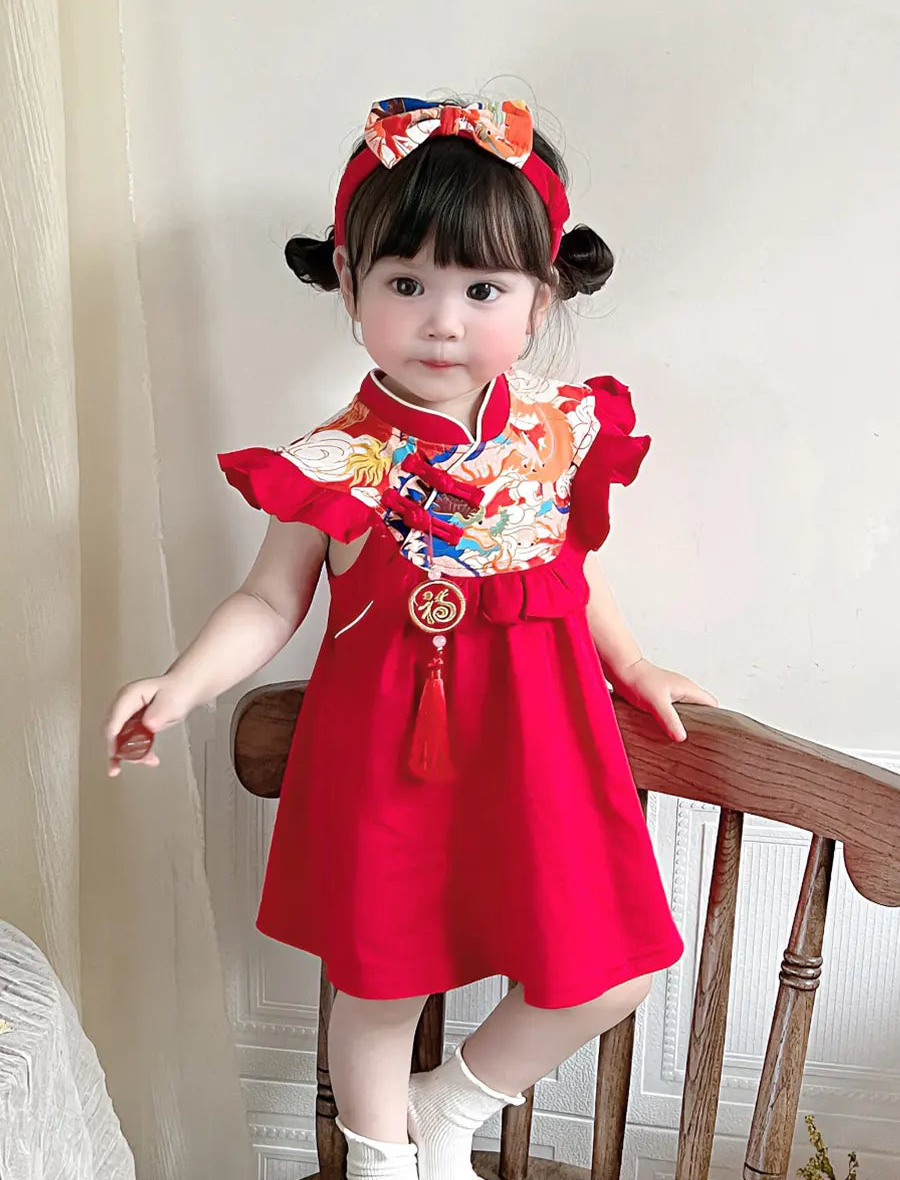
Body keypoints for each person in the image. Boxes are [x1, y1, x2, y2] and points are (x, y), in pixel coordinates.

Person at [104, 96, 717, 1180]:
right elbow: (266, 602)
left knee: (613, 968)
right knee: (383, 988)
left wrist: (630, 663)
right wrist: (178, 684)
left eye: (483, 288)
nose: (444, 320)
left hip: (544, 748)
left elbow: (573, 571)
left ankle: (454, 1104)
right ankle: (384, 1160)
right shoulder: (335, 460)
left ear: (541, 297)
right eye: (406, 284)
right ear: (349, 286)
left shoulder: (561, 432)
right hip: (392, 753)